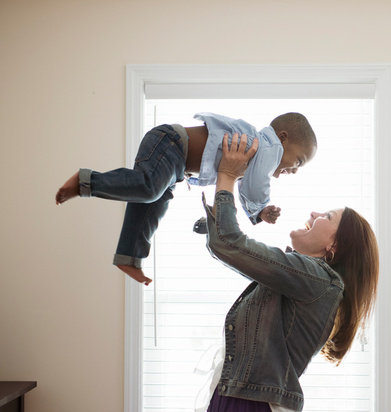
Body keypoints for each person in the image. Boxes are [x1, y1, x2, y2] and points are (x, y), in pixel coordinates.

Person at [198, 132, 379, 412]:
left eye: (327, 217)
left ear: (333, 248)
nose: (313, 214)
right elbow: (225, 245)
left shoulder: (318, 279)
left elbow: (229, 243)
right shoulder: (300, 279)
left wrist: (227, 176)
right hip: (239, 403)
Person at [55, 112, 317, 285]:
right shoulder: (268, 147)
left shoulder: (257, 153)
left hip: (175, 166)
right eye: (299, 161)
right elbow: (257, 184)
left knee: (150, 204)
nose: (294, 169)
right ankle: (86, 181)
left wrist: (258, 212)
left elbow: (246, 184)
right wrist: (259, 210)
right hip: (171, 143)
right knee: (148, 188)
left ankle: (128, 257)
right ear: (283, 138)